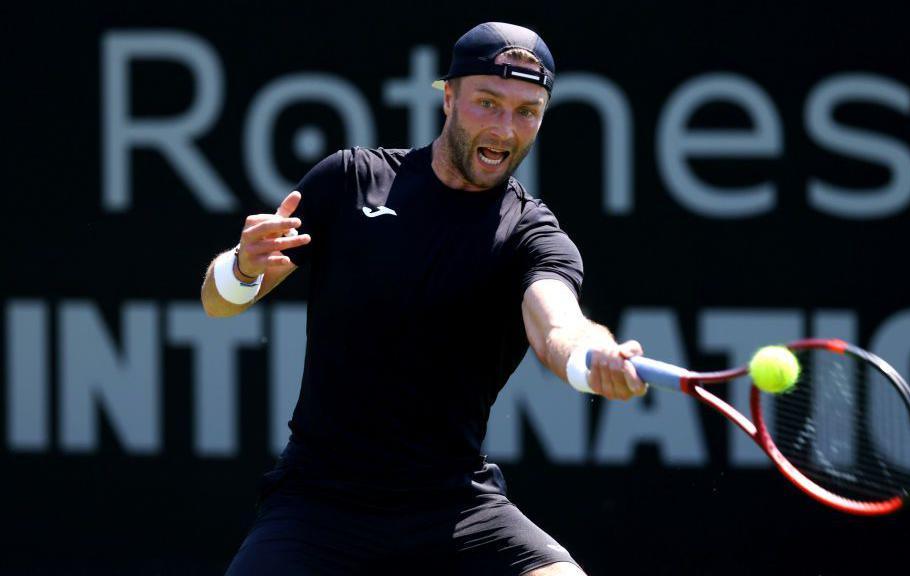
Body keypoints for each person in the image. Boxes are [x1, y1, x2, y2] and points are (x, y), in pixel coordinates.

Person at [202, 22, 647, 576]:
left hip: (456, 510)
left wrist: (591, 358)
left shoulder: (532, 235)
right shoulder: (350, 182)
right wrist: (241, 268)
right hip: (318, 505)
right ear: (449, 97)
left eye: (527, 111)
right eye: (488, 103)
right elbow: (220, 303)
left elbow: (559, 327)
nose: (505, 129)